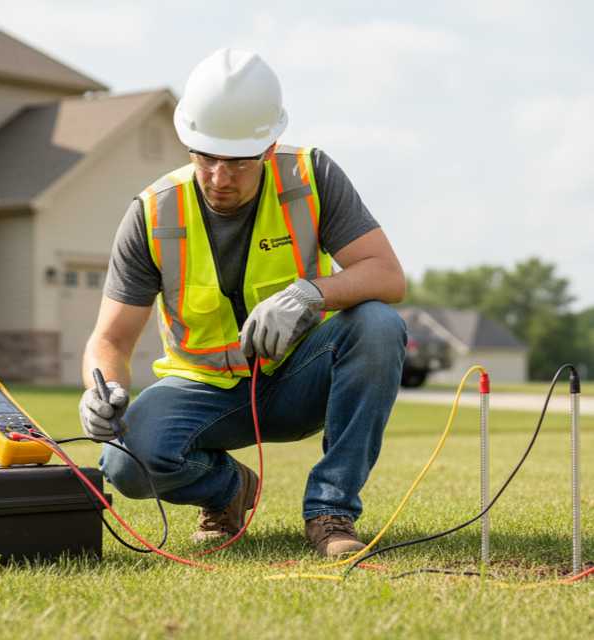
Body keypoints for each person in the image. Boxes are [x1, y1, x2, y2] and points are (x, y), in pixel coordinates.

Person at [78, 49, 407, 557]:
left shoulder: (310, 175)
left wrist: (311, 292)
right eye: (206, 157)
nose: (219, 178)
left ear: (270, 145)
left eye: (238, 161)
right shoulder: (151, 214)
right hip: (204, 392)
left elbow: (387, 275)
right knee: (124, 464)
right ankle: (228, 490)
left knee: (379, 324)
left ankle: (330, 510)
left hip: (301, 379)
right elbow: (110, 338)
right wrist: (104, 390)